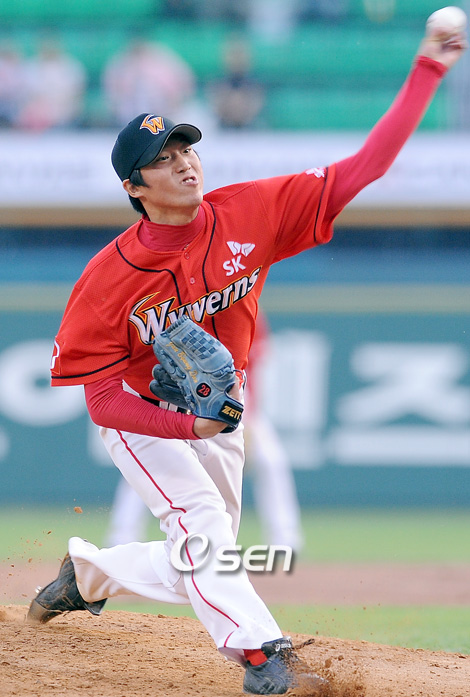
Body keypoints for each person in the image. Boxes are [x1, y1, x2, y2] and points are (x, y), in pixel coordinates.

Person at [26, 24, 466, 696]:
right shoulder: (107, 279)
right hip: (144, 413)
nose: (185, 163)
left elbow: (365, 167)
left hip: (221, 406)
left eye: (186, 148)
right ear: (134, 186)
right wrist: (185, 427)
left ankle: (90, 575)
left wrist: (429, 68)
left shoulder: (250, 212)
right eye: (163, 158)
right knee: (200, 526)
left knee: (204, 558)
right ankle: (263, 655)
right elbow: (101, 400)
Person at [104, 311, 304, 552]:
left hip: (231, 399)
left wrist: (248, 417)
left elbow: (250, 367)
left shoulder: (241, 305)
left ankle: (285, 539)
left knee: (270, 461)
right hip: (175, 398)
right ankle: (122, 535)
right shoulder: (169, 302)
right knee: (150, 462)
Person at [102, 40, 196, 127]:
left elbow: (184, 84)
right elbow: (113, 96)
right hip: (129, 116)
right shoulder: (120, 66)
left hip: (167, 113)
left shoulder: (162, 63)